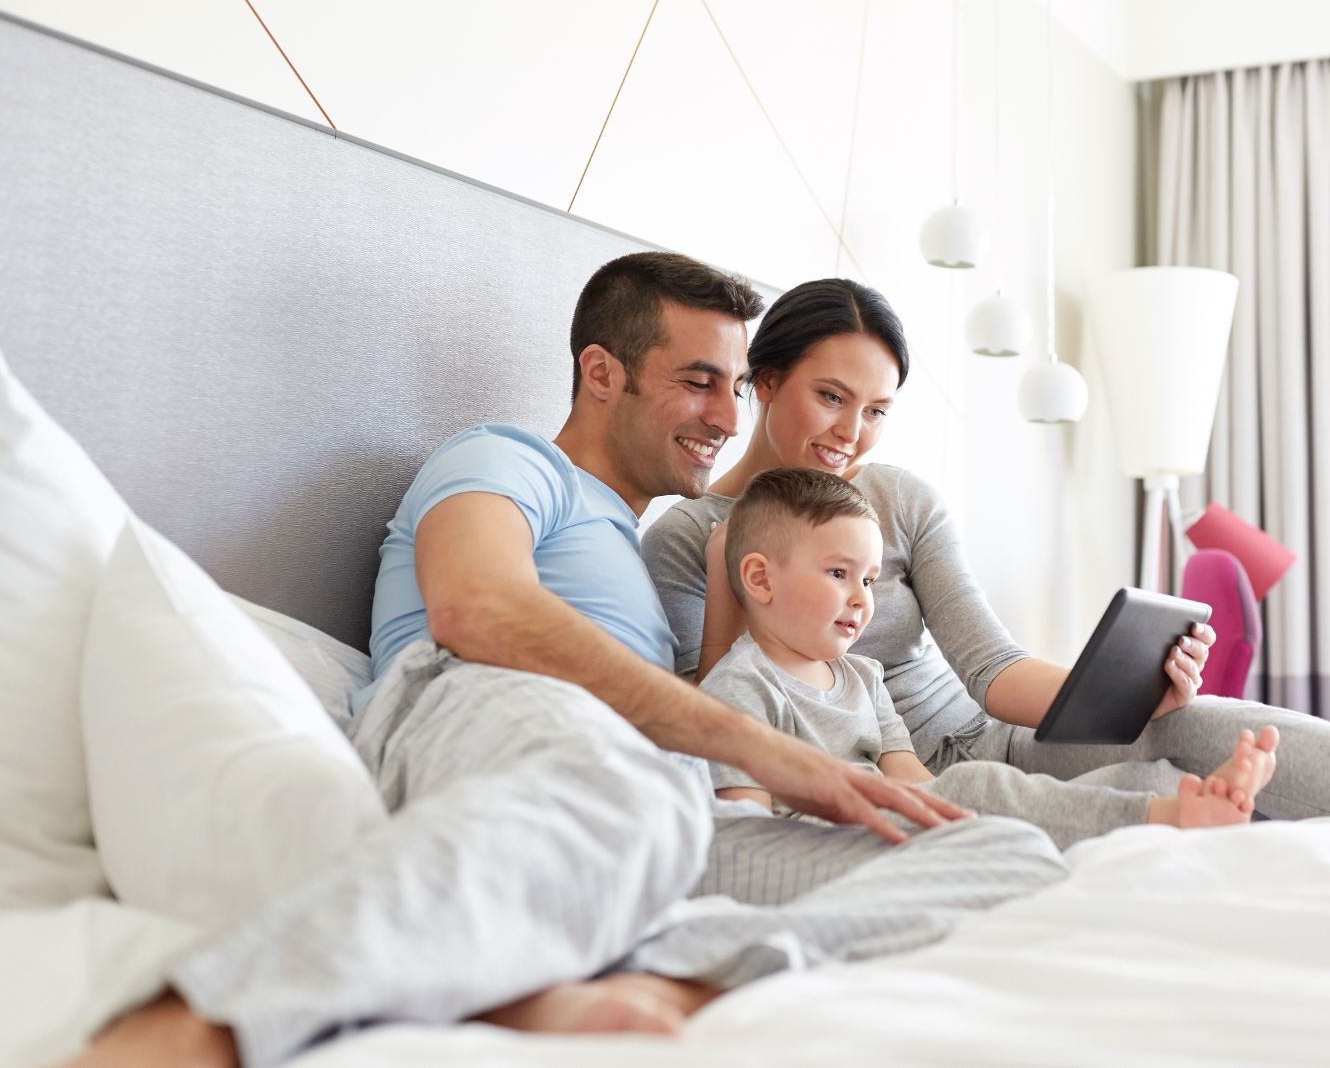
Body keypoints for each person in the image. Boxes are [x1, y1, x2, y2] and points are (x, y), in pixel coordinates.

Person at [72, 254, 1065, 1068]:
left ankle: (632, 979)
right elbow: (475, 603)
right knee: (610, 787)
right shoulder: (506, 460)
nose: (728, 416)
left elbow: (723, 685)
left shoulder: (653, 546)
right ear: (601, 372)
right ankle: (186, 1033)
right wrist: (754, 745)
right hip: (490, 700)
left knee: (1000, 848)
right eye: (698, 380)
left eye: (735, 384)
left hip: (664, 800)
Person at [641, 277, 1330, 829]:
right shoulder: (692, 537)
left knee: (1197, 723)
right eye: (832, 397)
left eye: (876, 410)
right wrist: (731, 553)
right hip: (901, 771)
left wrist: (1126, 694)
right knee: (1106, 788)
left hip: (995, 729)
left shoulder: (900, 500)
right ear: (765, 382)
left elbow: (992, 666)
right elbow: (722, 713)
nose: (852, 433)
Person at [699, 467, 1279, 847]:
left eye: (871, 580)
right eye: (838, 574)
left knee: (1103, 775)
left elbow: (914, 780)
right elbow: (747, 832)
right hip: (831, 839)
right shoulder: (739, 690)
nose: (862, 598)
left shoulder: (863, 675)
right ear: (759, 578)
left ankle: (1178, 800)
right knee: (981, 790)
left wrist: (955, 821)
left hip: (894, 820)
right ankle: (1169, 820)